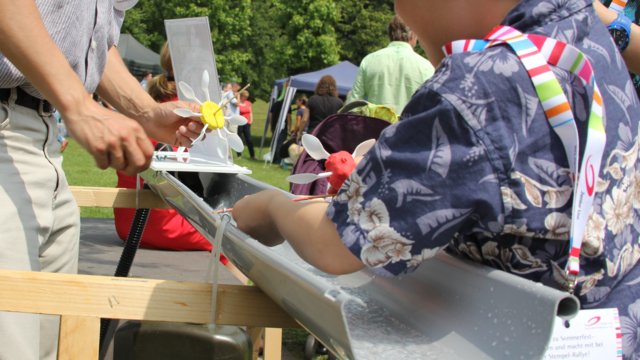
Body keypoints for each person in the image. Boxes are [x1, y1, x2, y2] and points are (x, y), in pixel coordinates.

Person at [233, 0, 640, 356]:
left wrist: (271, 208)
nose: (398, 11)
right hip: (614, 327)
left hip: (515, 342)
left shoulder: (474, 88)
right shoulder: (586, 31)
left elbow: (333, 245)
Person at [0, 2, 202, 359]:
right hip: (11, 127)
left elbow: (91, 38)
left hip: (42, 141)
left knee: (54, 345)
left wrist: (146, 112)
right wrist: (79, 104)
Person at [114, 41, 226, 257]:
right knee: (233, 242)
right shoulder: (195, 116)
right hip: (164, 225)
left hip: (128, 223)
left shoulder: (145, 107)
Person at [346, 15, 435, 114]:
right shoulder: (426, 67)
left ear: (389, 33)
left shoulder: (369, 61)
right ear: (413, 34)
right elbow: (430, 108)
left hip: (374, 127)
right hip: (408, 127)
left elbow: (353, 106)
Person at [237, 89, 256, 159]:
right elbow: (237, 106)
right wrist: (238, 96)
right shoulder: (238, 103)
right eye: (244, 96)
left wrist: (251, 120)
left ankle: (252, 155)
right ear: (241, 96)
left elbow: (250, 112)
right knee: (239, 138)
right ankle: (239, 155)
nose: (246, 98)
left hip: (247, 123)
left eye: (246, 97)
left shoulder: (248, 103)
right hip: (240, 123)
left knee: (249, 139)